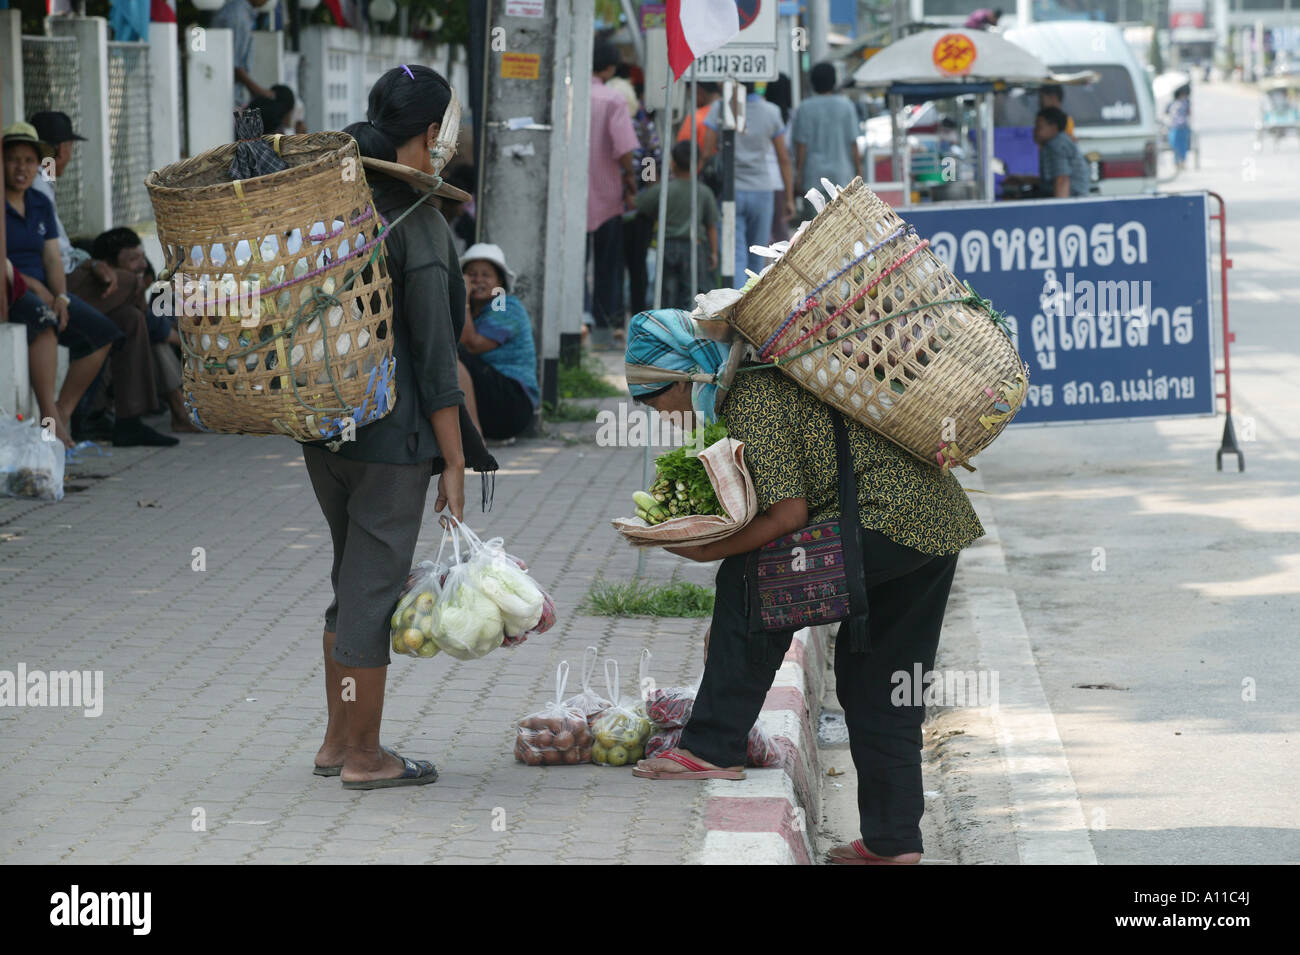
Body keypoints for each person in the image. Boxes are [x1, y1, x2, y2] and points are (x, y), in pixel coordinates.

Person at [621, 308, 983, 865]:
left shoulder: (751, 393)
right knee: (882, 679)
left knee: (751, 579)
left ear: (686, 377)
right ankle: (893, 843)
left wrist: (704, 549)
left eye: (657, 402)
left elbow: (788, 515)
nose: (665, 419)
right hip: (932, 523)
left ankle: (712, 746)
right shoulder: (770, 373)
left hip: (884, 522)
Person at [304, 65, 490, 789]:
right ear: (429, 134)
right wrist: (453, 462)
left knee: (352, 582)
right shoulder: (423, 225)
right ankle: (364, 755)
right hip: (393, 440)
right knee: (372, 592)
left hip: (326, 433)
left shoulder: (339, 211)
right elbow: (438, 364)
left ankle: (334, 740)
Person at [5, 123, 170, 447]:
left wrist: (63, 297)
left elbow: (53, 258)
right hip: (13, 288)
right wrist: (39, 290)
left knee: (109, 330)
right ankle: (51, 418)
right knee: (48, 320)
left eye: (28, 160)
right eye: (12, 159)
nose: (21, 168)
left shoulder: (38, 201)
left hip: (51, 288)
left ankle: (66, 417)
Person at [79, 227, 197, 434]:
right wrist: (190, 345)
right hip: (100, 393)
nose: (142, 264)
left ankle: (183, 410)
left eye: (142, 257)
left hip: (131, 379)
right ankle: (180, 413)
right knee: (157, 340)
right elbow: (150, 324)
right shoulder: (102, 293)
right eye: (134, 259)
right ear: (107, 267)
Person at [702, 84, 794, 287]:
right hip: (763, 191)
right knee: (758, 256)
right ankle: (753, 310)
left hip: (729, 191)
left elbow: (707, 151)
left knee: (735, 257)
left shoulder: (721, 107)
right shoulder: (771, 111)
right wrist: (788, 197)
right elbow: (783, 158)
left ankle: (736, 307)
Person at [586, 40, 640, 345]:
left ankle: (577, 321)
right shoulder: (614, 99)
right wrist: (631, 178)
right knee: (607, 265)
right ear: (609, 68)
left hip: (571, 196)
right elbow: (624, 149)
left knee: (575, 264)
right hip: (607, 195)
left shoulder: (569, 94)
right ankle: (604, 329)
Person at [457, 244, 539, 442]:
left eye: (486, 275)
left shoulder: (506, 306)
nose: (478, 280)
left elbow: (472, 344)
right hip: (488, 398)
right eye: (472, 274)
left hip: (512, 403)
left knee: (452, 354)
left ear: (500, 282)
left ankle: (475, 437)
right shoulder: (472, 311)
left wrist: (464, 298)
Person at [634, 141, 719, 309]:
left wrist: (648, 174)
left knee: (667, 294)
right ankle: (690, 329)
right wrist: (714, 252)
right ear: (699, 163)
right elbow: (711, 225)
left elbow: (640, 203)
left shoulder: (664, 190)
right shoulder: (704, 192)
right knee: (693, 295)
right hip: (694, 247)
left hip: (667, 246)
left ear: (672, 163)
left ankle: (669, 329)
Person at [5, 257, 67, 446]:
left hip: (20, 286)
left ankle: (53, 415)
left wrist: (62, 297)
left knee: (45, 320)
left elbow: (53, 258)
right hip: (21, 284)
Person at [791, 63, 863, 195]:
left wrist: (799, 175)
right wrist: (859, 171)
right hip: (842, 176)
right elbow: (853, 143)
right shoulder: (847, 106)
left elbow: (801, 146)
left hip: (813, 178)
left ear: (812, 82)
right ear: (834, 81)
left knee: (815, 215)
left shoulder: (805, 108)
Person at [210, 0, 276, 108]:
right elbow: (233, 64)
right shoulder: (238, 16)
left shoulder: (242, 12)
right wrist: (257, 90)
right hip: (223, 94)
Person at [1033, 106, 1090, 197]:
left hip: (1072, 202)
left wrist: (1060, 209)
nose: (1034, 131)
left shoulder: (1056, 145)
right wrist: (1023, 180)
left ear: (1053, 127)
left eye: (1039, 127)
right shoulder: (1058, 141)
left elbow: (1062, 179)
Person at [676, 81, 721, 160]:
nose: (692, 101)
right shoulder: (732, 115)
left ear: (698, 90)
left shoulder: (694, 119)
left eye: (690, 96)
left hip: (699, 170)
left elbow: (681, 156)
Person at [1166, 85, 1192, 170]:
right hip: (1175, 127)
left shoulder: (1185, 102)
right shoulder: (1173, 103)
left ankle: (1181, 162)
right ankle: (1178, 162)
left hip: (1181, 127)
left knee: (1181, 145)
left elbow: (1189, 113)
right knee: (1177, 145)